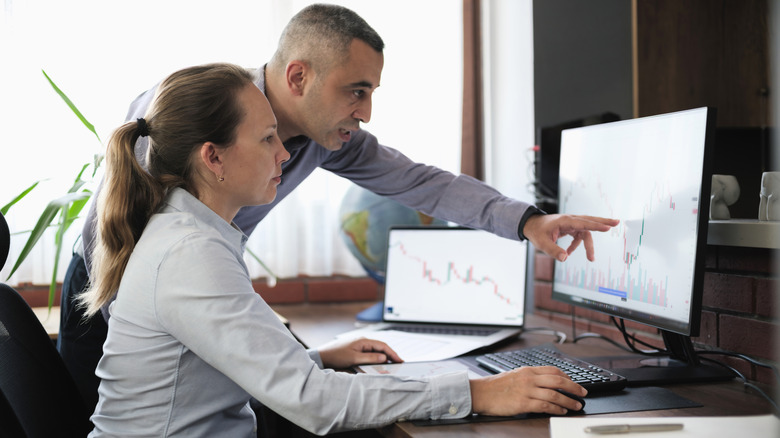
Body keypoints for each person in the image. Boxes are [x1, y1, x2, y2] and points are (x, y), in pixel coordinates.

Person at [59, 2, 618, 419]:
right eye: (356, 91)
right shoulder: (195, 118)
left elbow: (420, 181)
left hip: (193, 299)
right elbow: (167, 318)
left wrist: (528, 220)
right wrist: (473, 394)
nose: (367, 112)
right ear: (299, 76)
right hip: (108, 285)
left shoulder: (319, 142)